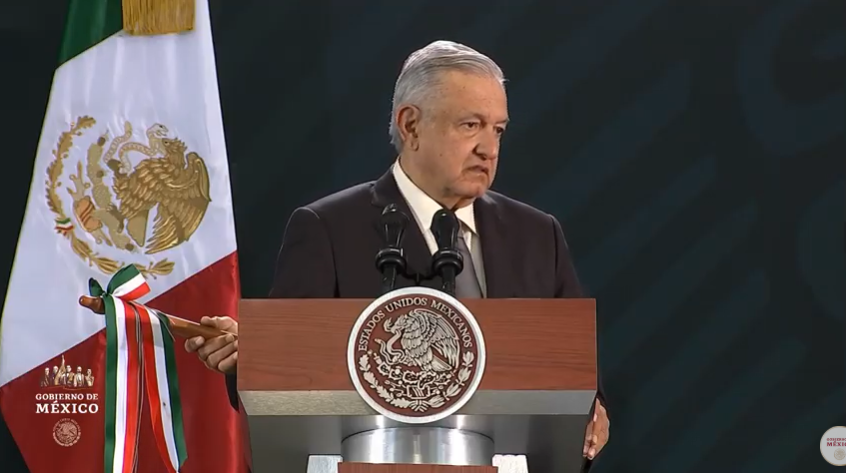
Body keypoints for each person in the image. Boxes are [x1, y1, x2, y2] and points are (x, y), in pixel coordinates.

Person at [185, 40, 610, 466]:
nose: (489, 148)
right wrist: (251, 356)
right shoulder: (328, 229)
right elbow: (286, 370)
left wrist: (594, 413)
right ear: (410, 126)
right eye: (470, 125)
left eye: (497, 129)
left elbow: (577, 375)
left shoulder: (536, 234)